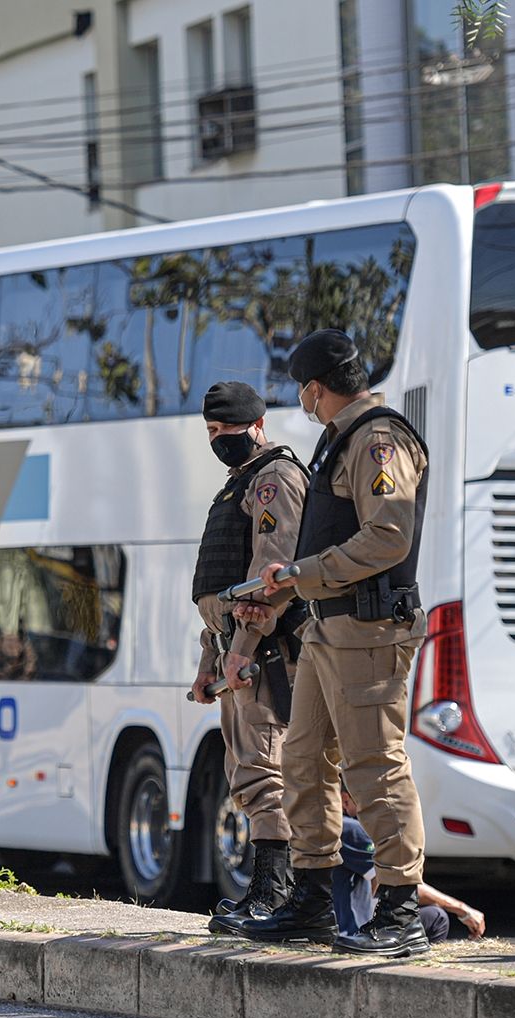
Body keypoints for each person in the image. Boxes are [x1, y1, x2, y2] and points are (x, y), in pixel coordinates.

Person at [235, 329, 432, 957]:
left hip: (369, 629)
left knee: (374, 763)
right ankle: (313, 897)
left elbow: (389, 537)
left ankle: (400, 908)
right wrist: (286, 586)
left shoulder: (377, 438)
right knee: (302, 757)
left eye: (304, 392)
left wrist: (300, 574)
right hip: (330, 626)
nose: (305, 402)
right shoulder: (342, 439)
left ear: (315, 389)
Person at [186, 381, 309, 934]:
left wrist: (238, 653)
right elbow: (223, 588)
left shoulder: (273, 481)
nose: (219, 440)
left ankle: (275, 893)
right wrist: (210, 659)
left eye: (228, 431)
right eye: (212, 431)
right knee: (246, 771)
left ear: (257, 425)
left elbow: (268, 582)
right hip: (240, 653)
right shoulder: (241, 482)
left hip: (266, 654)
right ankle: (269, 890)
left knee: (265, 770)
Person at [334, 788, 485, 943]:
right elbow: (397, 883)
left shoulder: (325, 826)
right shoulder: (350, 829)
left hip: (337, 927)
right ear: (345, 799)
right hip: (352, 932)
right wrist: (461, 909)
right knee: (436, 917)